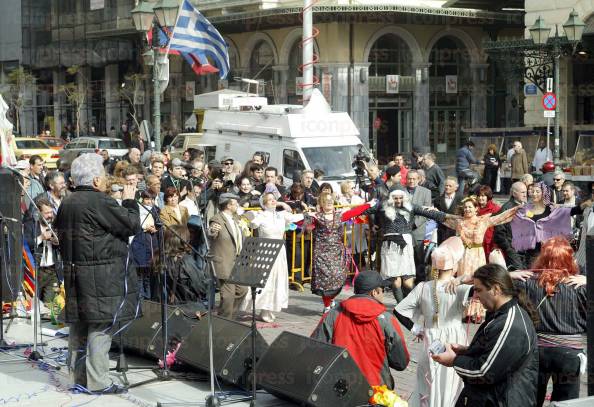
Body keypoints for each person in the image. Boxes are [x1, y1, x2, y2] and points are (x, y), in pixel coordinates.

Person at [54, 153, 140, 394]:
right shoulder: (99, 201)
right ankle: (98, 381)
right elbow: (131, 224)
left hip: (76, 274)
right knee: (100, 326)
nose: (105, 180)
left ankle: (78, 377)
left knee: (80, 325)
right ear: (94, 181)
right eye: (103, 176)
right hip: (101, 277)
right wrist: (130, 200)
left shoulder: (68, 202)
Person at [431, 264, 539, 407]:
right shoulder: (501, 314)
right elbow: (495, 352)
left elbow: (484, 372)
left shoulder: (510, 324)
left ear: (496, 289)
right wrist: (467, 351)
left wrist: (454, 360)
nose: (475, 296)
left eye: (479, 290)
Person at [394, 237, 470, 407]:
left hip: (430, 339)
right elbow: (485, 282)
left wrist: (417, 329)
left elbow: (398, 311)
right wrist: (463, 278)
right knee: (451, 384)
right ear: (454, 266)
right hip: (454, 340)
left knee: (429, 383)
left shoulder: (423, 287)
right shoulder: (459, 287)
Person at [513, 237, 586, 406]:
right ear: (569, 258)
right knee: (565, 402)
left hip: (536, 351)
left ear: (542, 257)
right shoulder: (580, 286)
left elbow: (491, 281)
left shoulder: (526, 283)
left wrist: (510, 274)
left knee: (531, 399)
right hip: (569, 354)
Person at [311, 270, 409, 389]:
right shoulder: (387, 320)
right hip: (377, 392)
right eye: (382, 290)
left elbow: (314, 351)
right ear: (375, 292)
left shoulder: (332, 315)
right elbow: (401, 362)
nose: (383, 294)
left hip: (339, 390)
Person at [375, 189, 453, 302]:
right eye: (395, 198)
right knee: (395, 281)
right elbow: (368, 210)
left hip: (405, 245)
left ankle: (411, 305)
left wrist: (454, 216)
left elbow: (431, 214)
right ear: (391, 198)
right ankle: (400, 306)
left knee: (407, 282)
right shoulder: (383, 207)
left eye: (400, 197)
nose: (398, 200)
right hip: (389, 245)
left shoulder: (411, 207)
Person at [303, 192, 372, 312]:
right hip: (321, 253)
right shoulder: (316, 216)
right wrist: (308, 217)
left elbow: (354, 212)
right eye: (326, 200)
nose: (329, 202)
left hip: (336, 252)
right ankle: (327, 305)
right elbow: (306, 229)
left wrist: (368, 205)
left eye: (331, 200)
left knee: (338, 277)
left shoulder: (339, 216)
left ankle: (331, 299)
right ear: (321, 204)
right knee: (324, 281)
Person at [240, 193, 302, 322]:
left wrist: (311, 214)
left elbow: (295, 216)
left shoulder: (281, 215)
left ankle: (268, 310)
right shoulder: (261, 215)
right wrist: (246, 213)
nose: (273, 202)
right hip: (264, 250)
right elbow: (252, 223)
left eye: (274, 200)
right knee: (264, 280)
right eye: (269, 200)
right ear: (264, 203)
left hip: (279, 251)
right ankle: (260, 307)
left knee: (277, 279)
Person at [511, 182, 589, 268]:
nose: (534, 194)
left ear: (544, 193)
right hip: (531, 255)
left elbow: (573, 211)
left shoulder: (552, 210)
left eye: (537, 191)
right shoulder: (524, 210)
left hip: (550, 254)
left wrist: (587, 203)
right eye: (532, 191)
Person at [441, 196, 521, 277]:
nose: (467, 209)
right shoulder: (459, 222)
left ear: (476, 208)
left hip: (478, 255)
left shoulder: (483, 221)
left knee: (478, 278)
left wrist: (517, 209)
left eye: (469, 207)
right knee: (462, 279)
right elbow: (444, 218)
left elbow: (500, 217)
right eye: (465, 207)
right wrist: (432, 211)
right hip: (463, 255)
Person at [207, 193, 248, 319]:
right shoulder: (217, 219)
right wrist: (213, 230)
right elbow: (212, 232)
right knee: (228, 295)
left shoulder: (236, 218)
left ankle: (227, 316)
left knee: (242, 290)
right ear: (229, 205)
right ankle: (225, 320)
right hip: (224, 262)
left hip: (237, 261)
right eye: (235, 204)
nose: (237, 206)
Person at [24, 196, 60, 303]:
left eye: (51, 212)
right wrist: (41, 238)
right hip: (36, 270)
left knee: (50, 306)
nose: (50, 215)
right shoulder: (30, 225)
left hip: (52, 271)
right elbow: (26, 245)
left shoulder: (55, 224)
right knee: (36, 305)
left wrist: (58, 242)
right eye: (46, 213)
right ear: (38, 213)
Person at [493, 181, 527, 270]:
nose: (525, 195)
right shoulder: (506, 209)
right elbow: (499, 232)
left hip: (527, 249)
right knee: (519, 273)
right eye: (522, 192)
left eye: (526, 192)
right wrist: (509, 248)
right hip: (513, 250)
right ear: (514, 193)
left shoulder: (527, 206)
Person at [476, 185, 501, 259]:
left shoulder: (495, 208)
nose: (480, 198)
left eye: (483, 196)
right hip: (477, 241)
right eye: (479, 196)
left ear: (488, 196)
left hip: (490, 241)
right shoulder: (474, 208)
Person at [435, 177, 462, 244]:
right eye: (446, 185)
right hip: (441, 232)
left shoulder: (461, 199)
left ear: (456, 187)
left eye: (450, 186)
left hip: (455, 232)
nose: (447, 187)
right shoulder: (438, 199)